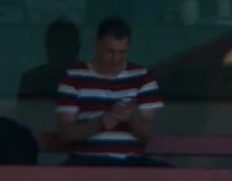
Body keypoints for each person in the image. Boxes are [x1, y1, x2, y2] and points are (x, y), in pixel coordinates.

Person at [57, 16, 162, 165]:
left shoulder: (142, 77)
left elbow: (147, 133)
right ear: (97, 44)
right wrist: (100, 123)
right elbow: (66, 134)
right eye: (110, 52)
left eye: (122, 52)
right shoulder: (73, 77)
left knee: (171, 177)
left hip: (131, 162)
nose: (116, 59)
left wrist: (132, 117)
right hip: (86, 163)